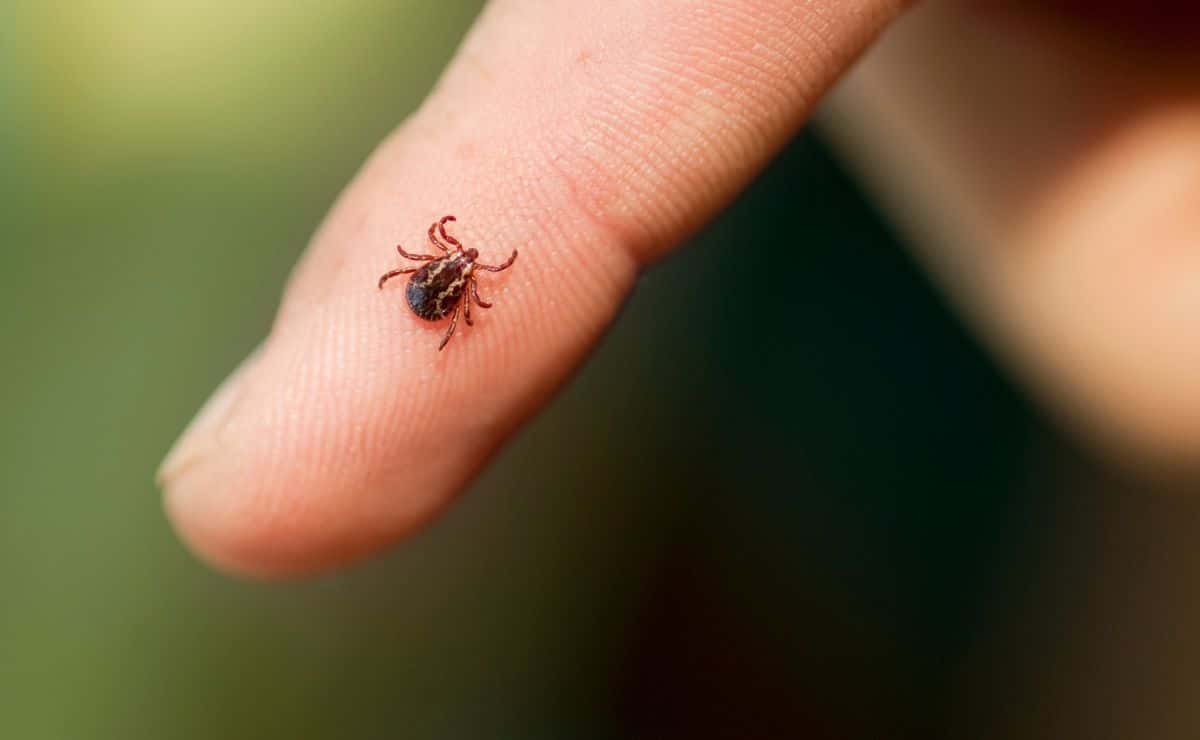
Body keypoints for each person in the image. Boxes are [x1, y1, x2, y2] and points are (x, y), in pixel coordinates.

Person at [158, 0, 1200, 577]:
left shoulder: (446, 271)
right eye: (450, 272)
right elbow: (444, 281)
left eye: (448, 270)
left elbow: (435, 278)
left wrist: (441, 299)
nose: (451, 271)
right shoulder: (455, 271)